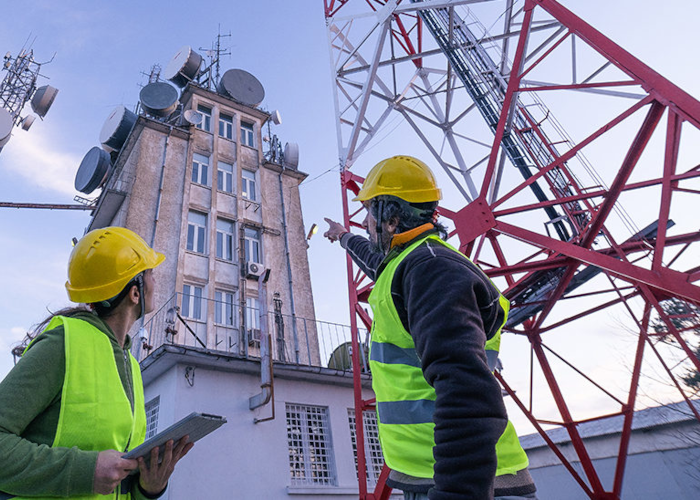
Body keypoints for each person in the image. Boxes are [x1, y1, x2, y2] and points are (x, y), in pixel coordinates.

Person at [324, 156, 537, 500]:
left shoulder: (431, 270)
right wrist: (344, 237)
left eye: (368, 213)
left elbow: (465, 387)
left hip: (467, 482)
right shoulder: (412, 263)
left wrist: (457, 492)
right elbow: (376, 260)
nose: (364, 223)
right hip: (435, 474)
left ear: (391, 220)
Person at [0, 226, 193, 499]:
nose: (154, 281)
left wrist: (148, 488)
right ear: (134, 293)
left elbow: (117, 481)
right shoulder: (62, 344)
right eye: (149, 273)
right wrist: (84, 471)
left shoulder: (132, 366)